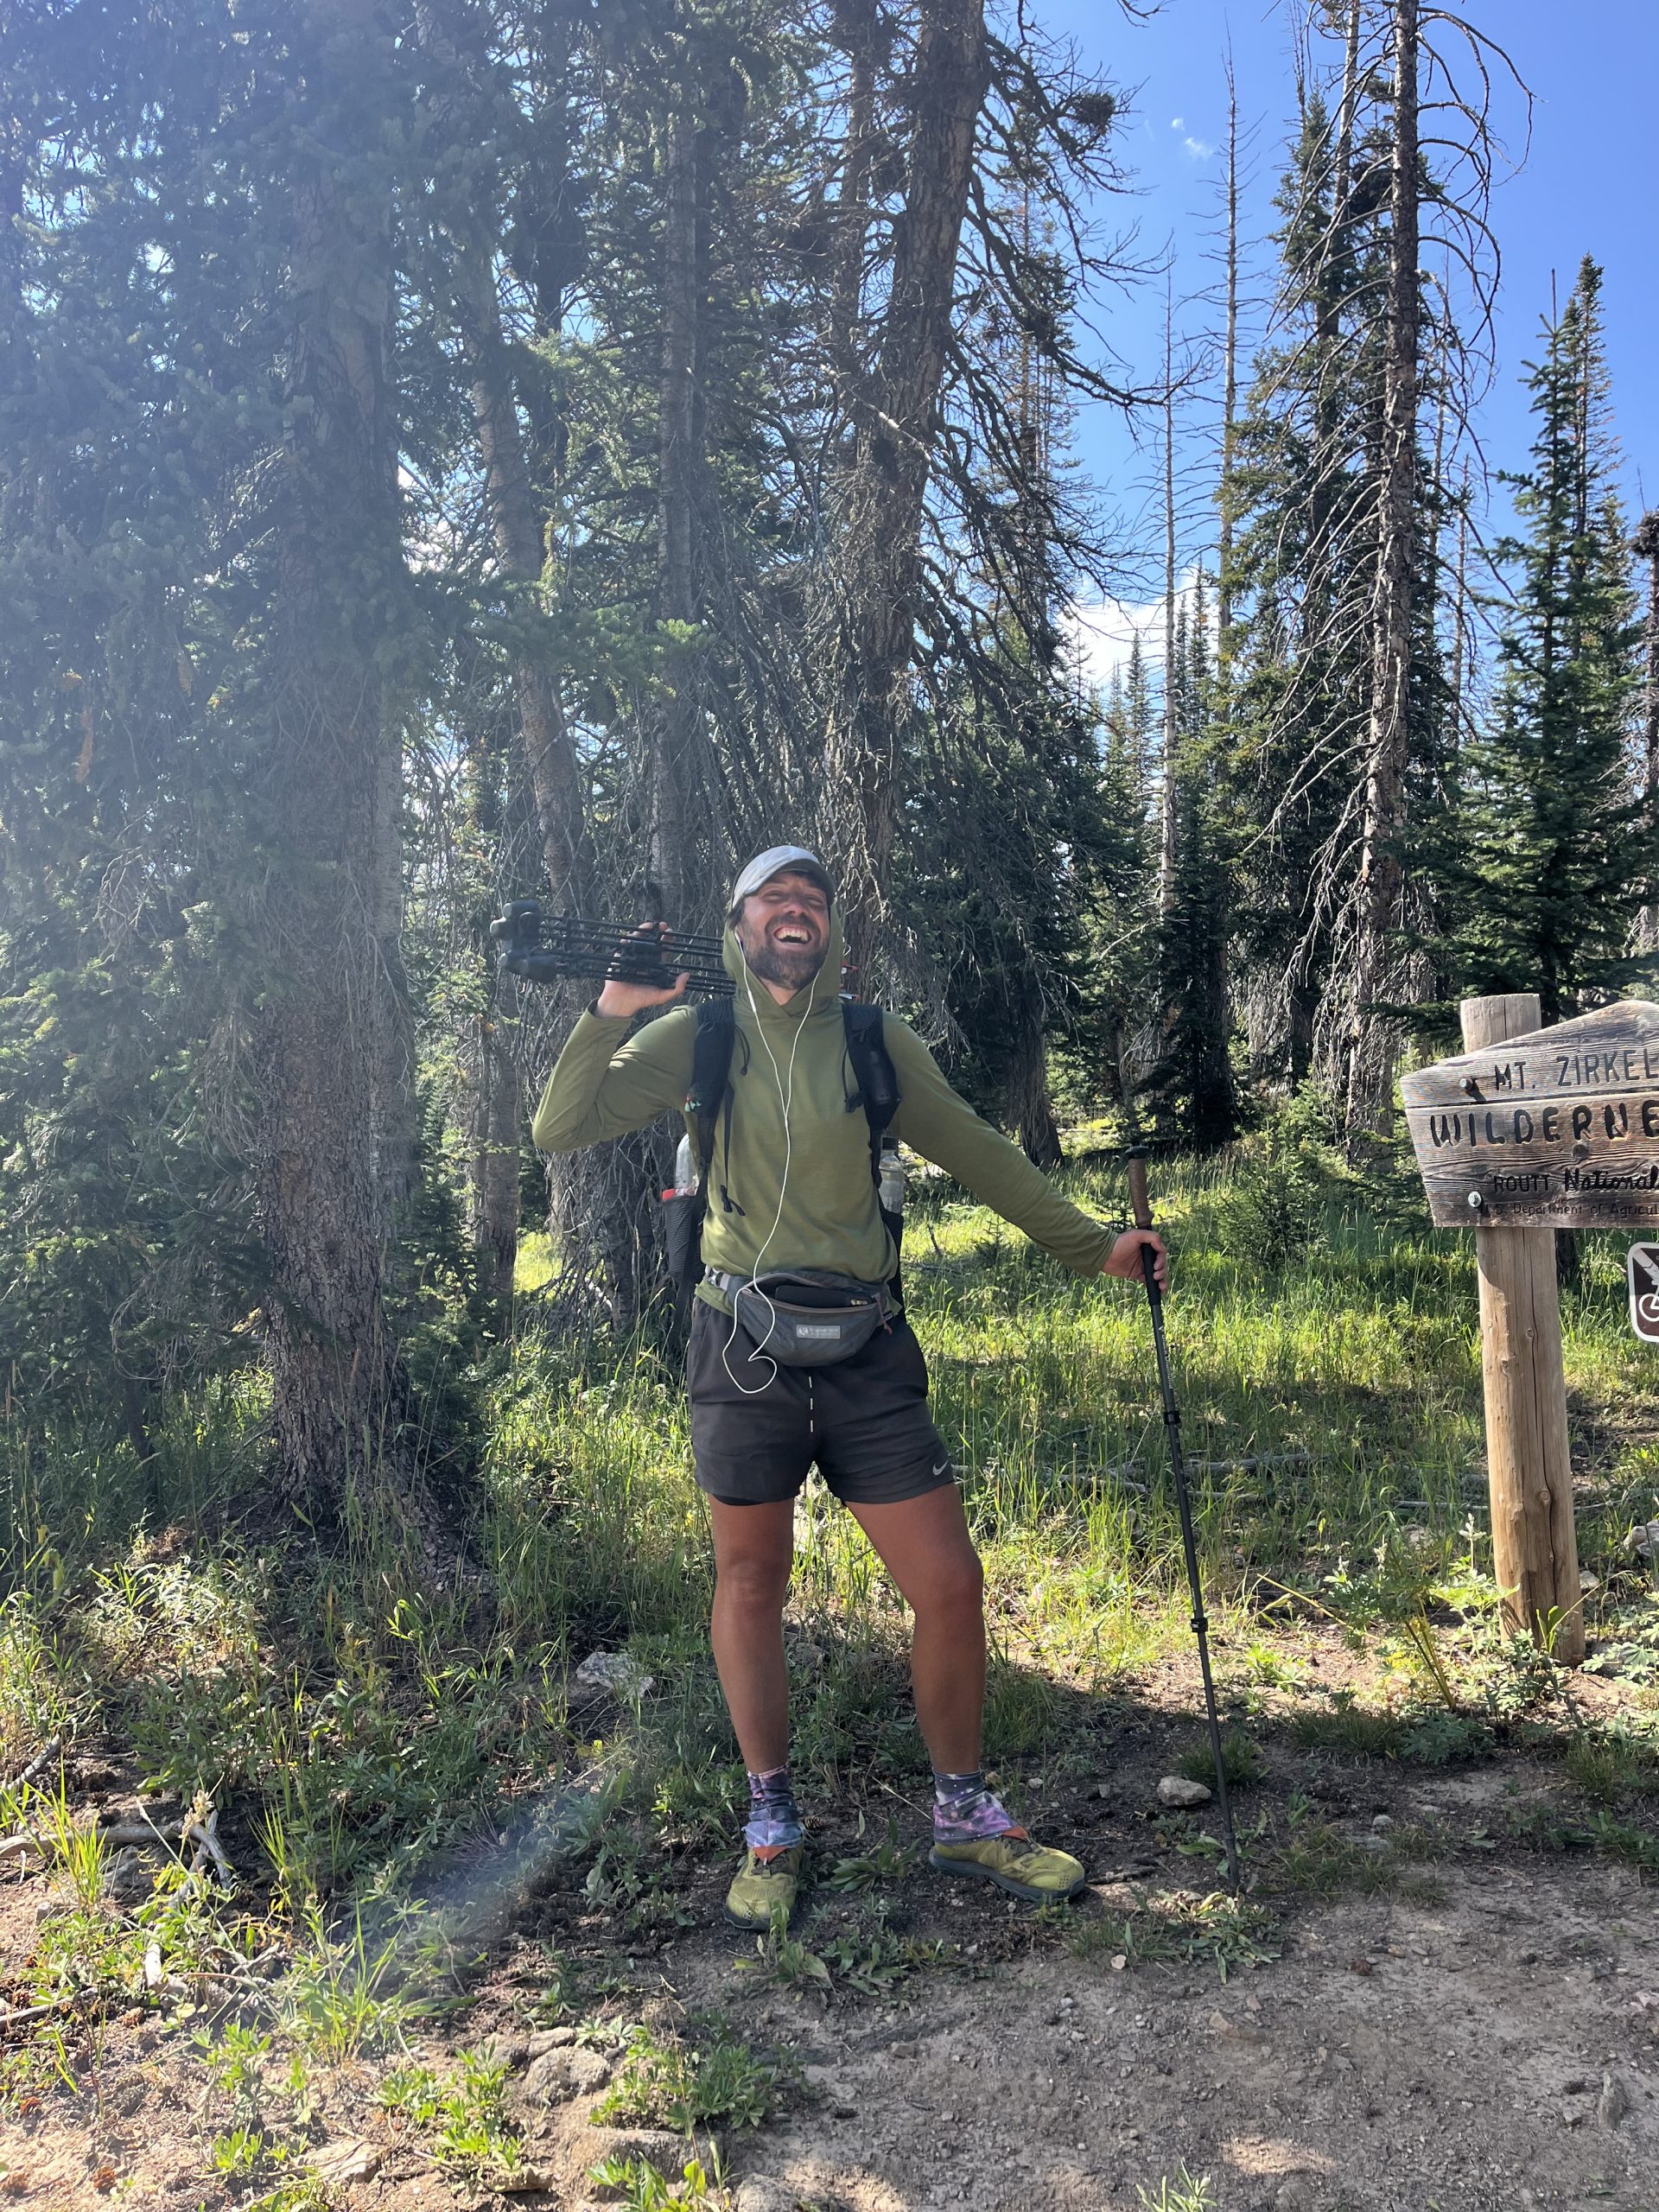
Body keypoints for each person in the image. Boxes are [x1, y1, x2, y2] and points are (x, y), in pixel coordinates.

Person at [532, 845, 1166, 1929]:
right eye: (774, 898)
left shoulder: (874, 1037)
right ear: (739, 923)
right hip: (739, 1345)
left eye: (813, 900)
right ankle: (771, 1823)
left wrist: (1091, 1246)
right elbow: (561, 1123)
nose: (796, 911)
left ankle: (963, 1815)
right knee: (750, 1582)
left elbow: (976, 1149)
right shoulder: (698, 1034)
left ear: (829, 928)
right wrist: (613, 1011)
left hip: (870, 1345)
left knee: (949, 1583)